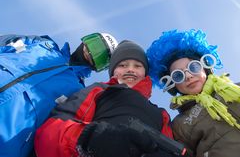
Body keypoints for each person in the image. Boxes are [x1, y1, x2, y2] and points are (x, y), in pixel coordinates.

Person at [34, 40, 182, 157]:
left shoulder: (161, 114)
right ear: (113, 71)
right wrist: (89, 139)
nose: (130, 69)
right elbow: (48, 135)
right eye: (123, 65)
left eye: (137, 65)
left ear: (145, 72)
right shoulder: (98, 91)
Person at [0, 32, 118, 157]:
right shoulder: (43, 44)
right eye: (94, 45)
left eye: (101, 58)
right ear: (86, 40)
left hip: (6, 134)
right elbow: (5, 42)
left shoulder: (76, 94)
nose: (91, 53)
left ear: (100, 67)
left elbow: (52, 135)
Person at [146, 29, 240, 157]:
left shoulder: (235, 88)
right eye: (178, 75)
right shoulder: (180, 125)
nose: (189, 76)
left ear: (205, 67)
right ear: (173, 85)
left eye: (193, 67)